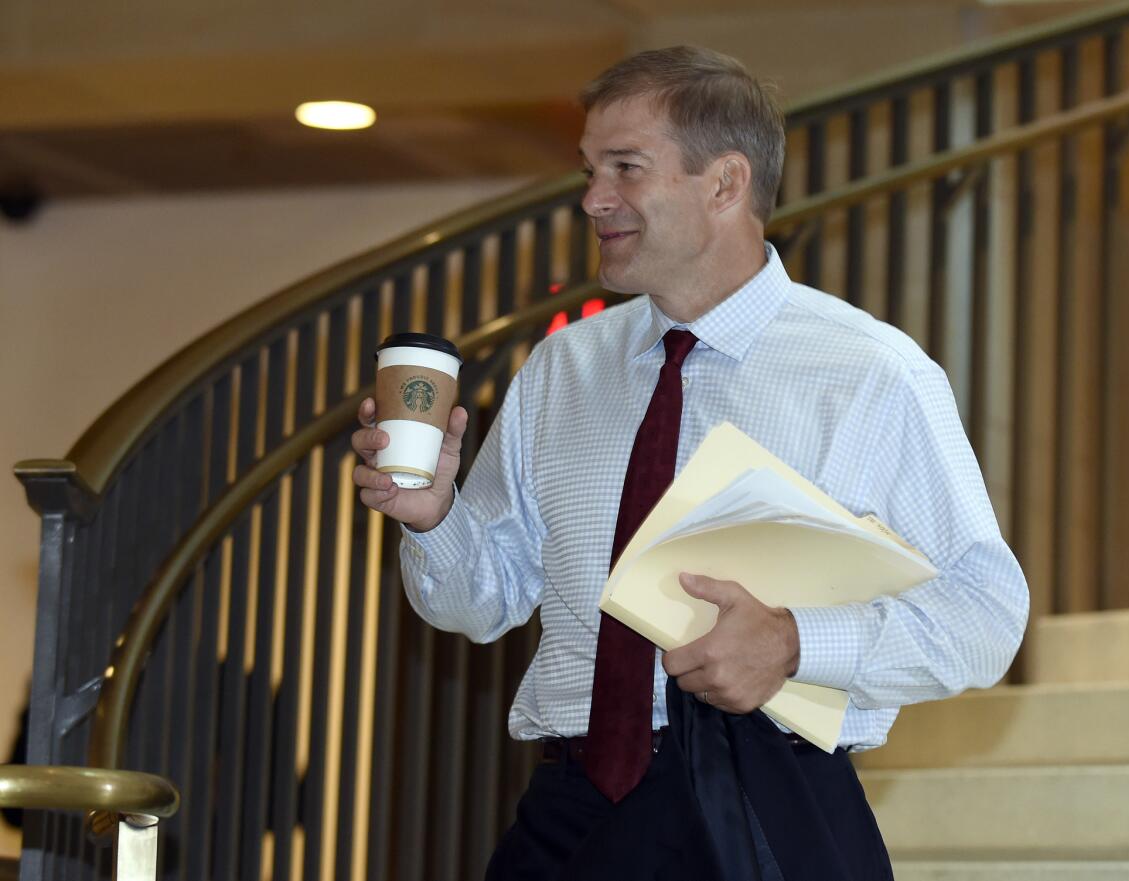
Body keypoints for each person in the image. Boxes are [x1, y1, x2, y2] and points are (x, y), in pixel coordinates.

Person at [352, 45, 1028, 880]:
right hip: (571, 808)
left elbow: (985, 615)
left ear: (725, 184)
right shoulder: (561, 369)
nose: (594, 199)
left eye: (626, 169)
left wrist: (793, 641)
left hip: (770, 799)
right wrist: (436, 519)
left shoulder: (870, 374)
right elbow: (481, 601)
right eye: (590, 169)